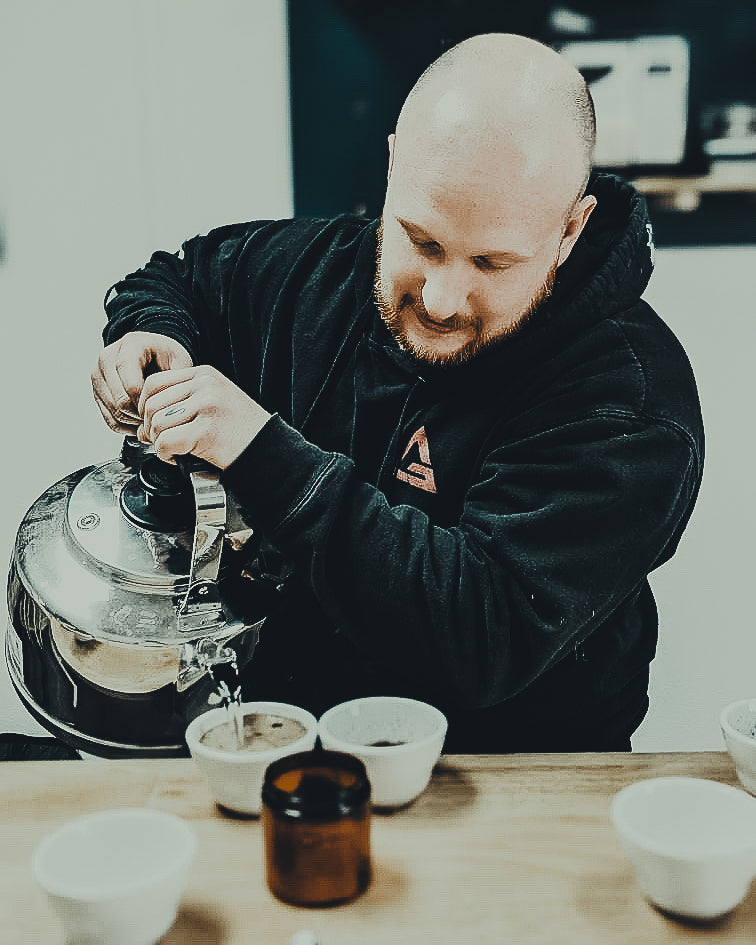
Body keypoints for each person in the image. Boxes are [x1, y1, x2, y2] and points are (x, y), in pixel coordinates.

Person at [91, 33, 703, 752]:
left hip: (516, 781)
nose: (442, 299)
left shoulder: (628, 405)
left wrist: (260, 450)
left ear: (570, 230)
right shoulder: (309, 271)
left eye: (491, 262)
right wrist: (146, 338)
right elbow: (176, 279)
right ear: (390, 169)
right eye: (423, 241)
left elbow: (478, 632)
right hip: (286, 750)